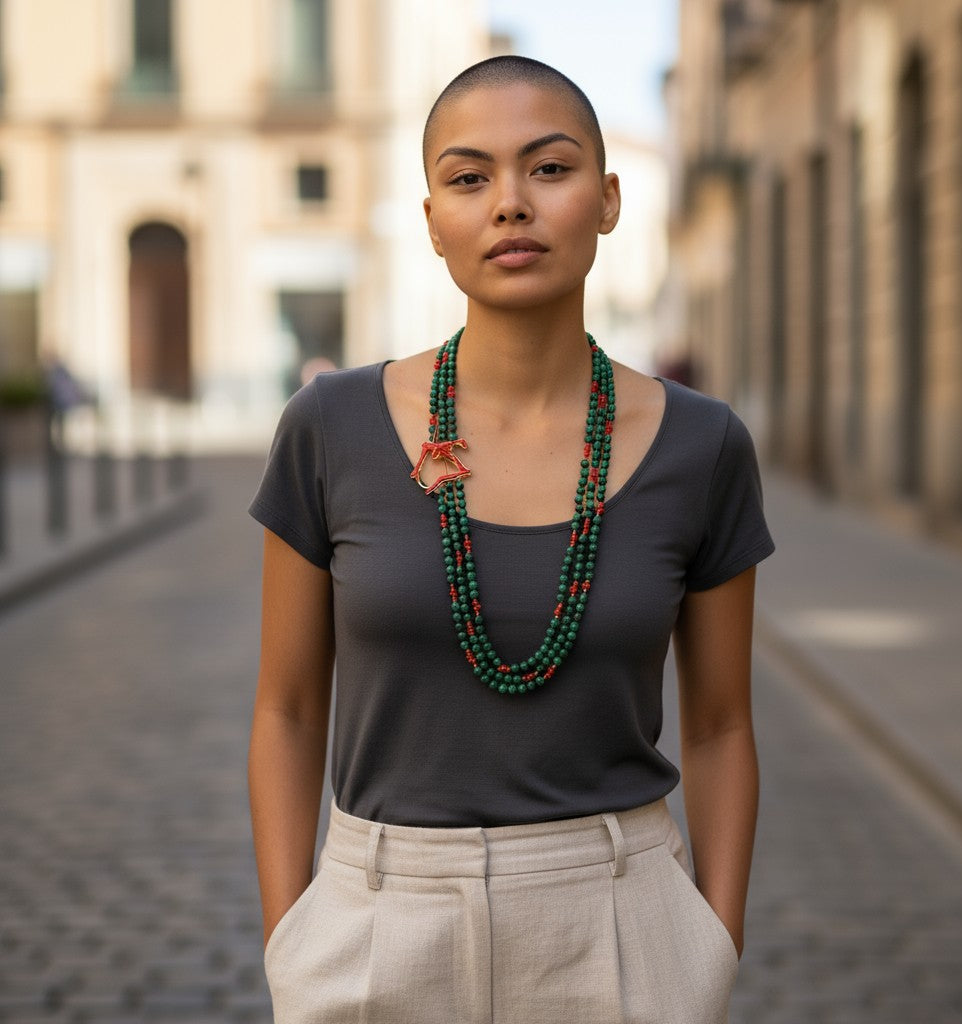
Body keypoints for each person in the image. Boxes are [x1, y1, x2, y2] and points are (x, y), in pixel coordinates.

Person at [248, 55, 774, 1024]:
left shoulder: (704, 445)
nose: (509, 204)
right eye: (468, 177)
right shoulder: (330, 424)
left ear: (608, 200)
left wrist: (711, 946)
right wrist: (294, 939)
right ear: (432, 220)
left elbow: (719, 723)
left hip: (620, 926)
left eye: (549, 168)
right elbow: (284, 707)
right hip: (379, 927)